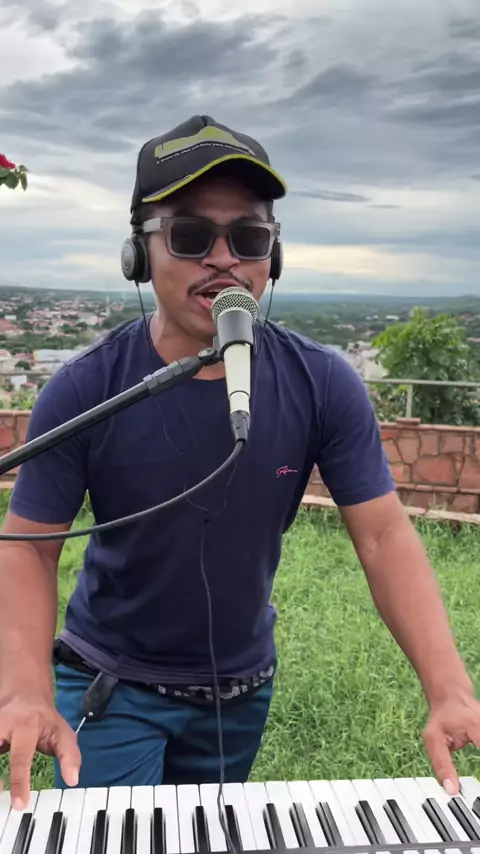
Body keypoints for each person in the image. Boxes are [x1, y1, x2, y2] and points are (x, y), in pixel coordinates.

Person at [0, 115, 479, 812]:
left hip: (240, 691)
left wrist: (450, 689)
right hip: (112, 686)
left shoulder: (322, 383)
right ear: (139, 254)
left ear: (272, 257)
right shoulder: (85, 388)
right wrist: (23, 690)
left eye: (249, 238)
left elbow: (383, 536)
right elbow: (29, 547)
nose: (224, 259)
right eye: (191, 236)